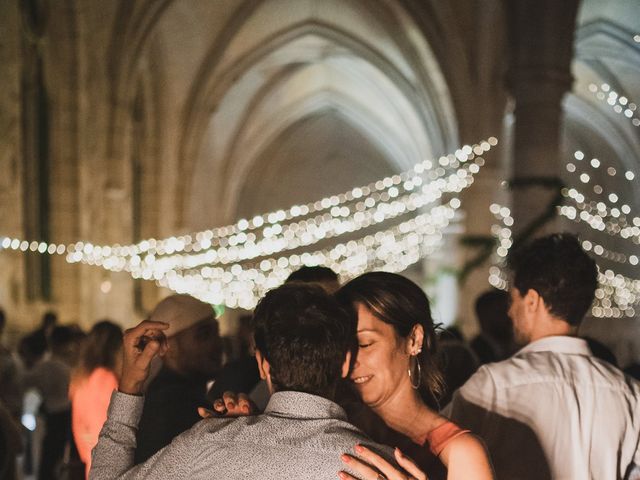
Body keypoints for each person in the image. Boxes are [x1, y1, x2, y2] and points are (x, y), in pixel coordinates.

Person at [90, 283, 396, 479]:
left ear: (262, 363)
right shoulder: (378, 469)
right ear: (344, 363)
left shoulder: (203, 444)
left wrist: (129, 388)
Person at [445, 233, 640, 479]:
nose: (510, 311)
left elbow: (441, 450)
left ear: (532, 301)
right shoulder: (629, 393)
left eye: (512, 299)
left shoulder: (493, 385)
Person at [335, 272, 493, 480]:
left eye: (365, 344)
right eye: (343, 346)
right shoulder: (335, 430)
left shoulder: (460, 452)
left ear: (414, 339)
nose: (350, 359)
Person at [133, 293, 223, 463]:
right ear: (169, 347)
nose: (217, 343)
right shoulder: (172, 405)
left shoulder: (180, 396)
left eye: (216, 332)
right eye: (203, 335)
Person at [23, 325, 80, 480]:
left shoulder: (47, 365)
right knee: (64, 455)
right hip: (67, 412)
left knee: (50, 456)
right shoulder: (70, 364)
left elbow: (25, 381)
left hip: (55, 414)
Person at [69, 320, 123, 477]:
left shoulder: (81, 379)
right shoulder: (104, 379)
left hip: (92, 465)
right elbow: (104, 429)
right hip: (106, 469)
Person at [470, 289, 515, 365]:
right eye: (501, 312)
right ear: (484, 317)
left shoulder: (517, 349)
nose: (509, 317)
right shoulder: (473, 355)